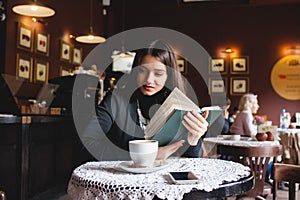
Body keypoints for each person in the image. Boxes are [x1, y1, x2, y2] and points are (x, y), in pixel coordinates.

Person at [82, 40, 209, 161]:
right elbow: (87, 143)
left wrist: (193, 140)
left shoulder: (178, 105)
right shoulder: (115, 99)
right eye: (142, 71)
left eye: (158, 74)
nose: (149, 80)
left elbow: (191, 161)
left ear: (168, 76)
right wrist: (145, 155)